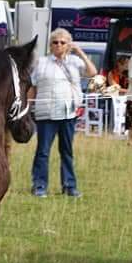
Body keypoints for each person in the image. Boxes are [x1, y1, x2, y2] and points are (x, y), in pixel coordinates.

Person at [29, 28, 97, 197]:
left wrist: (80, 52)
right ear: (50, 45)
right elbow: (33, 87)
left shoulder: (74, 61)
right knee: (43, 151)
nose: (58, 45)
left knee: (66, 151)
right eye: (55, 42)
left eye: (62, 42)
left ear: (68, 45)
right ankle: (39, 185)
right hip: (46, 113)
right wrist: (30, 107)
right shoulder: (41, 62)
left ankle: (69, 185)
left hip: (68, 112)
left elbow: (92, 72)